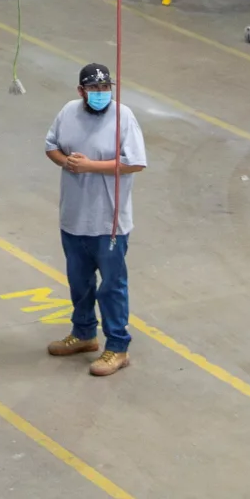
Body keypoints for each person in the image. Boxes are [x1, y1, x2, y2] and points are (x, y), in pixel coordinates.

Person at [43, 62, 147, 377]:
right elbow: (51, 146)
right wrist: (66, 161)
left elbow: (135, 162)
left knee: (112, 286)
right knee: (80, 281)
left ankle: (117, 347)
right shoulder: (68, 112)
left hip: (108, 221)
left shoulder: (123, 117)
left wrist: (90, 166)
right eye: (94, 89)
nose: (101, 94)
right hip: (74, 217)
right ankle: (84, 334)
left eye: (105, 89)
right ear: (81, 91)